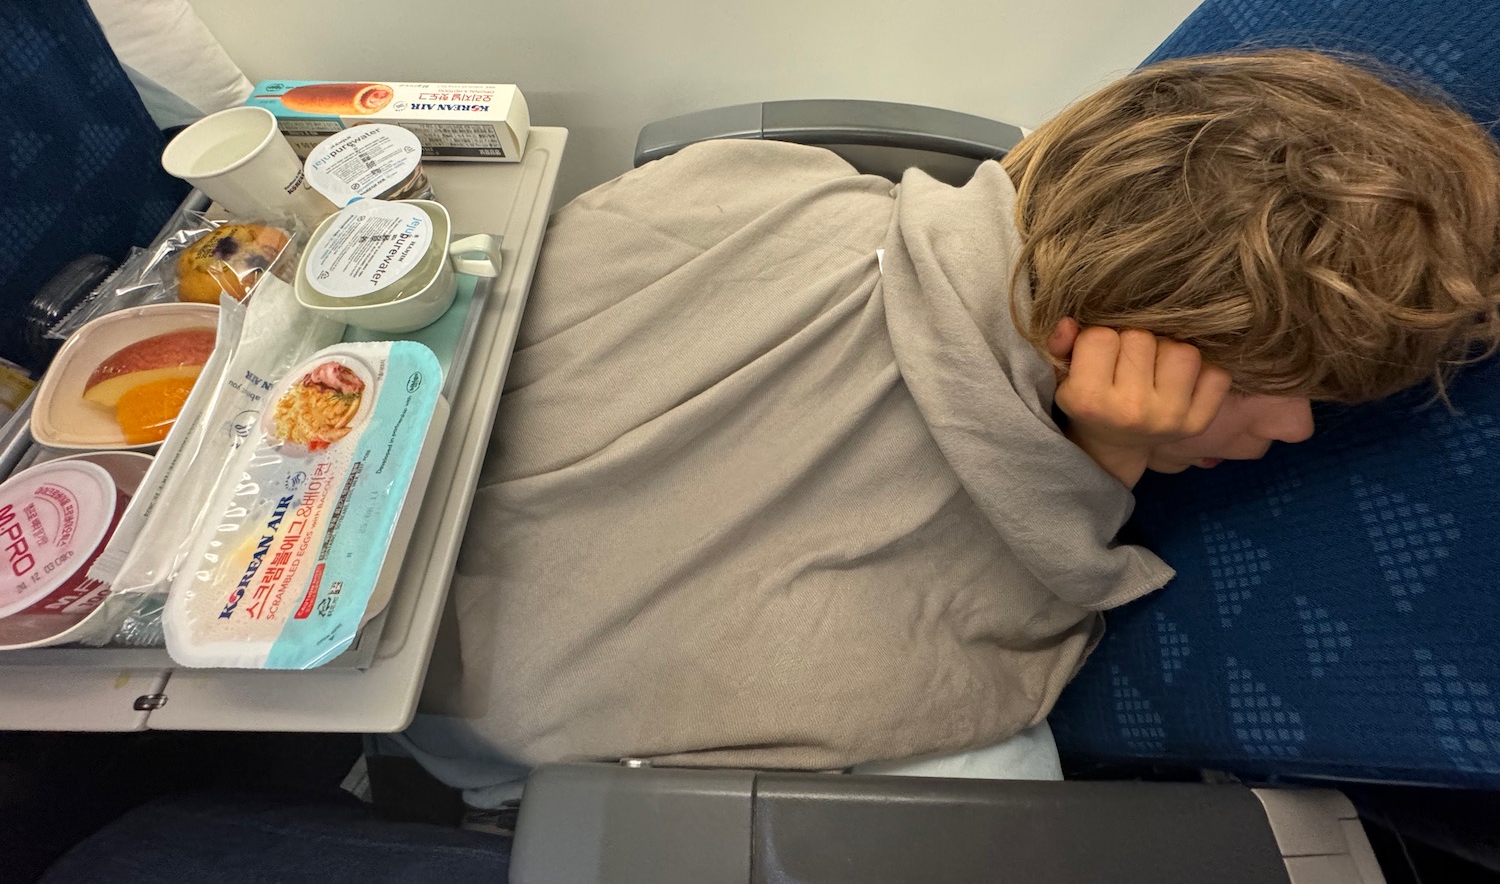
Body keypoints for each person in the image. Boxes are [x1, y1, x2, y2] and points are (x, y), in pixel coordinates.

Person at [409, 49, 1500, 789]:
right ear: (1101, 346)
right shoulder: (921, 604)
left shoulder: (740, 180)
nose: (1302, 433)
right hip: (463, 712)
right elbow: (964, 662)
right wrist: (1109, 455)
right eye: (1287, 388)